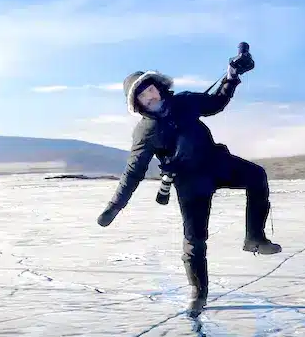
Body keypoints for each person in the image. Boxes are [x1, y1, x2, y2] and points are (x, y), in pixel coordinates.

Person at [96, 43, 281, 316]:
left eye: (150, 89)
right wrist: (115, 206)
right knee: (195, 239)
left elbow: (215, 103)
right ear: (137, 104)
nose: (150, 96)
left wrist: (231, 76)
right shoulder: (145, 132)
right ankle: (198, 293)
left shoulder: (184, 102)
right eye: (143, 96)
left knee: (257, 176)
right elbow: (134, 171)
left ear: (157, 86)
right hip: (190, 182)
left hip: (217, 163)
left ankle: (255, 238)